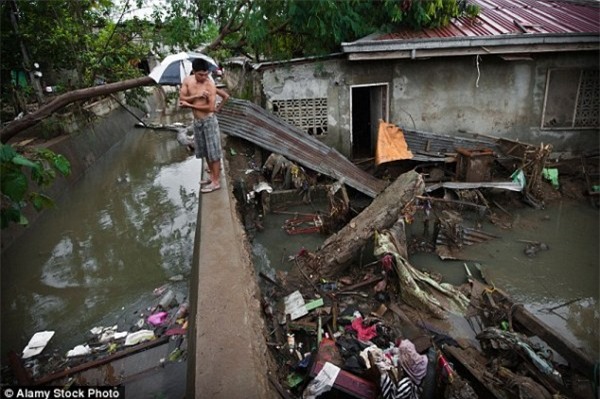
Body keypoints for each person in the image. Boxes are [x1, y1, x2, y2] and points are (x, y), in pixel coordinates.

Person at [179, 58, 229, 193]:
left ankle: (216, 182)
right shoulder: (187, 81)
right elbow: (181, 98)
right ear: (194, 72)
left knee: (214, 152)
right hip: (197, 122)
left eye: (206, 74)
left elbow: (210, 108)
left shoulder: (210, 85)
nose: (204, 77)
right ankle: (212, 176)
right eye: (201, 74)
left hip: (209, 121)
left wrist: (189, 104)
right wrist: (196, 95)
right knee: (205, 151)